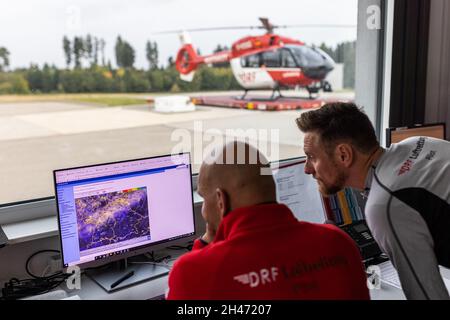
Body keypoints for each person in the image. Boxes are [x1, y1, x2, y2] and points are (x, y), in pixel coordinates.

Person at [166, 141, 369, 300]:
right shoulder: (339, 242)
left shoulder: (191, 273)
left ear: (221, 201)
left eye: (203, 198)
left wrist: (209, 237)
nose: (203, 208)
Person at [296, 102, 450, 300]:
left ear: (344, 155)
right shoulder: (418, 142)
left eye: (311, 157)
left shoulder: (385, 205)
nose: (307, 169)